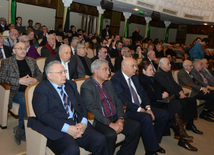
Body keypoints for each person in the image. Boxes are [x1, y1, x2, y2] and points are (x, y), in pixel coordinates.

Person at [28, 61, 108, 155]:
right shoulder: (42, 89)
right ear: (50, 75)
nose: (64, 75)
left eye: (64, 71)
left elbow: (82, 105)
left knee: (100, 139)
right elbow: (43, 115)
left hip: (77, 124)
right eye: (60, 72)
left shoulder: (70, 85)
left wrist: (84, 123)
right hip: (57, 128)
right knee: (72, 149)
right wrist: (67, 129)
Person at [81, 59, 141, 155]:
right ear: (96, 71)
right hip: (100, 121)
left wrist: (120, 118)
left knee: (135, 126)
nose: (108, 72)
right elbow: (93, 110)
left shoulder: (108, 83)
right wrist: (110, 124)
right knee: (111, 134)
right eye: (105, 69)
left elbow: (118, 101)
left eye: (108, 69)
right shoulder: (87, 86)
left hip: (115, 117)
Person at [111, 58, 169, 155]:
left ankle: (153, 142)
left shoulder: (134, 76)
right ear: (124, 67)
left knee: (164, 114)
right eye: (133, 66)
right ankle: (151, 150)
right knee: (147, 117)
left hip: (141, 106)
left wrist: (148, 108)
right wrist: (140, 109)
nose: (136, 68)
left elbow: (143, 93)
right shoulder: (116, 79)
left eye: (135, 65)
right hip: (128, 110)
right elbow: (123, 99)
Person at [139, 61, 198, 151]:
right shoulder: (141, 80)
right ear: (143, 70)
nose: (152, 71)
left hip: (160, 102)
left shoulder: (152, 78)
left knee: (175, 104)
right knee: (169, 112)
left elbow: (162, 87)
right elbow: (147, 95)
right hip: (151, 104)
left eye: (152, 69)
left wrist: (164, 92)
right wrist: (160, 95)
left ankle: (181, 132)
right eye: (150, 70)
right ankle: (180, 136)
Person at [0, 42, 42, 145]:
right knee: (25, 99)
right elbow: (1, 77)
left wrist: (35, 79)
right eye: (20, 48)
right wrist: (18, 81)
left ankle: (36, 127)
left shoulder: (31, 61)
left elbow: (40, 74)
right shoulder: (7, 62)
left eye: (24, 48)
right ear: (14, 51)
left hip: (32, 89)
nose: (23, 50)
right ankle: (21, 128)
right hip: (15, 91)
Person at [154, 58, 202, 136]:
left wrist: (180, 90)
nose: (170, 65)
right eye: (168, 64)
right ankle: (180, 127)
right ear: (162, 65)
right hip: (170, 97)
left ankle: (190, 125)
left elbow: (175, 84)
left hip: (175, 94)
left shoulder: (168, 73)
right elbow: (167, 88)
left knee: (192, 101)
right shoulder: (158, 74)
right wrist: (179, 94)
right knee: (184, 103)